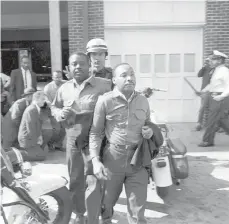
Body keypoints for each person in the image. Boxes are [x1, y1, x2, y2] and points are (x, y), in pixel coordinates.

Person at [89, 63, 156, 224]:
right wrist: (95, 160)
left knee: (138, 209)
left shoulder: (142, 100)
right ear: (114, 80)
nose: (130, 78)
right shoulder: (105, 101)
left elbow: (148, 123)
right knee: (107, 202)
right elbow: (95, 133)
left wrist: (149, 131)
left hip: (137, 159)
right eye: (124, 75)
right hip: (113, 158)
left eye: (132, 74)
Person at [51, 52, 111, 224]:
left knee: (97, 177)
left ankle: (102, 213)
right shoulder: (64, 88)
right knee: (75, 177)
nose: (77, 67)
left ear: (89, 65)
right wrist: (60, 114)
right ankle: (79, 213)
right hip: (73, 140)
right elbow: (54, 107)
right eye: (73, 64)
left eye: (81, 63)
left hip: (96, 141)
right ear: (69, 68)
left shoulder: (105, 85)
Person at [85, 38, 113, 224]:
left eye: (100, 54)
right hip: (89, 136)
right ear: (89, 57)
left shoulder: (114, 75)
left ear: (105, 56)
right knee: (92, 180)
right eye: (93, 54)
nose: (97, 57)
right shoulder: (82, 75)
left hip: (110, 135)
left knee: (110, 180)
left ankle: (107, 216)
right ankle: (92, 217)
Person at [198, 50, 229, 147]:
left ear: (220, 60)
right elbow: (212, 85)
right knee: (221, 120)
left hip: (220, 97)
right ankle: (209, 140)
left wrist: (222, 96)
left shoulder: (224, 71)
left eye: (213, 59)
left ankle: (207, 141)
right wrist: (203, 91)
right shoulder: (216, 70)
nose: (210, 61)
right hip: (213, 96)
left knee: (212, 119)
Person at [18, 91, 48, 161]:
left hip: (31, 137)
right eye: (42, 99)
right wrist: (36, 141)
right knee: (42, 156)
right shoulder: (32, 109)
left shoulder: (35, 108)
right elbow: (30, 129)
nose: (44, 101)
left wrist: (39, 136)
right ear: (36, 100)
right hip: (27, 139)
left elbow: (37, 125)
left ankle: (29, 152)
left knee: (45, 150)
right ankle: (17, 154)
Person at [44, 70, 66, 151]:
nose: (58, 78)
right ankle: (50, 143)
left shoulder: (65, 84)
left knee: (64, 129)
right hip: (52, 110)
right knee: (56, 129)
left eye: (60, 77)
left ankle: (58, 145)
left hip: (64, 109)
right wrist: (56, 111)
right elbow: (48, 102)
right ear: (52, 77)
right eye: (56, 77)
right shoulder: (48, 88)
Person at [195, 58, 213, 131]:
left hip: (212, 91)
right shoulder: (205, 69)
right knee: (202, 108)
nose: (207, 62)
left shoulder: (214, 70)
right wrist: (203, 66)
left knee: (212, 109)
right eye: (206, 61)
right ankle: (199, 124)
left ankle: (213, 125)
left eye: (209, 61)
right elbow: (199, 75)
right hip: (204, 91)